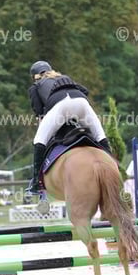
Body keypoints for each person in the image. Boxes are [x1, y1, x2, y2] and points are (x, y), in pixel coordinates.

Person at [25, 60, 111, 194]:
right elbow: (85, 91)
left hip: (60, 107)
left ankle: (36, 182)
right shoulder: (62, 77)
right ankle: (114, 168)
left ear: (34, 76)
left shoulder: (36, 86)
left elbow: (39, 111)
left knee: (39, 140)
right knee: (100, 135)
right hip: (81, 102)